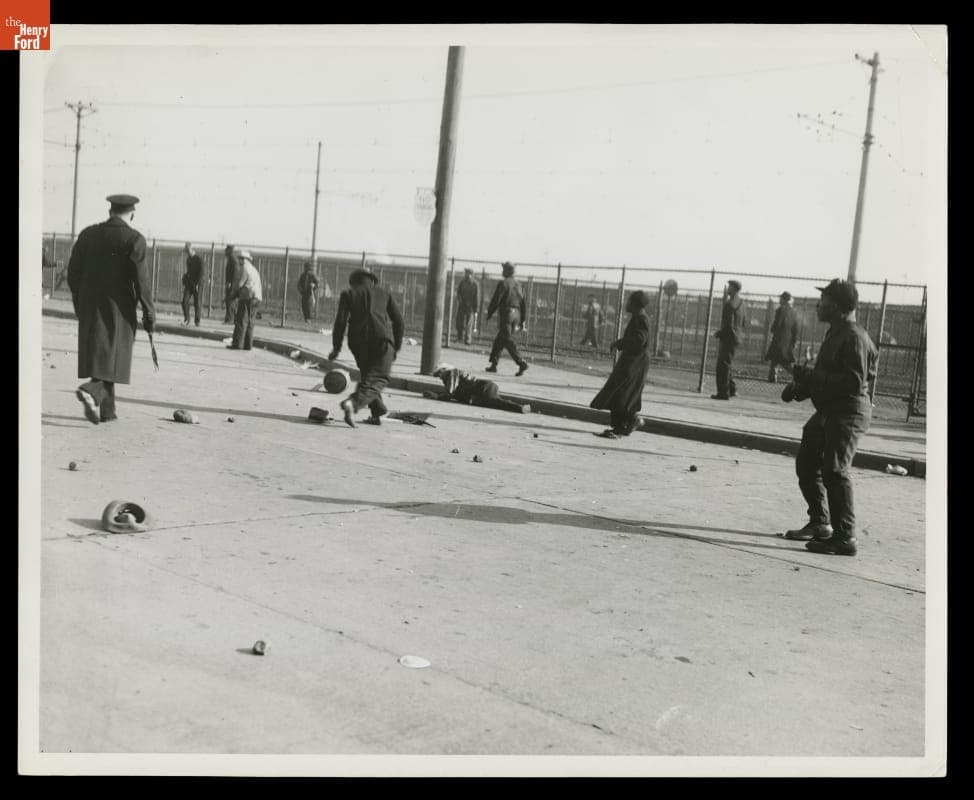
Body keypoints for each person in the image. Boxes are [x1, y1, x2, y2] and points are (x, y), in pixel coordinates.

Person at [781, 279, 878, 557]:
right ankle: (820, 523)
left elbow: (852, 382)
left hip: (848, 411)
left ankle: (845, 537)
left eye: (822, 300)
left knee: (835, 470)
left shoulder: (854, 337)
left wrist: (810, 377)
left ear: (835, 305)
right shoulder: (836, 332)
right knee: (807, 463)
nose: (817, 305)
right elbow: (827, 376)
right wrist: (800, 389)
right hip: (830, 410)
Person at [67, 193, 155, 424]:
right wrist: (149, 313)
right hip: (119, 308)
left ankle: (107, 411)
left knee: (103, 354)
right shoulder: (134, 239)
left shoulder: (88, 234)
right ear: (132, 214)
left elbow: (73, 272)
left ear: (110, 212)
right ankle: (92, 390)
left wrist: (80, 301)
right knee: (113, 354)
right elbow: (142, 282)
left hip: (89, 304)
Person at [328, 268, 405, 427]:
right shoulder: (384, 293)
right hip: (381, 340)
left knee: (369, 375)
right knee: (379, 377)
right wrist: (396, 346)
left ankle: (378, 411)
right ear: (373, 281)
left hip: (358, 342)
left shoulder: (348, 294)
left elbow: (340, 322)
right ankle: (353, 403)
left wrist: (336, 348)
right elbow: (399, 321)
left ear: (353, 283)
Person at [589, 290, 652, 439]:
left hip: (635, 363)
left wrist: (620, 343)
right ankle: (621, 425)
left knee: (621, 393)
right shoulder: (638, 317)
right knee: (620, 393)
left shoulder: (641, 319)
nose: (627, 304)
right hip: (632, 361)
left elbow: (639, 340)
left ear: (635, 304)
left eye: (629, 301)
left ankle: (629, 422)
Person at [485, 261, 529, 376]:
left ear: (507, 271)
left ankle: (521, 362)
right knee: (500, 339)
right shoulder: (520, 285)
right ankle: (493, 364)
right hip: (517, 315)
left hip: (507, 314)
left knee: (507, 339)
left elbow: (496, 299)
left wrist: (489, 313)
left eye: (503, 269)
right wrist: (523, 320)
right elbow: (524, 304)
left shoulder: (503, 283)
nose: (502, 272)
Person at [428, 365, 530, 413]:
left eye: (439, 374)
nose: (440, 377)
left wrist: (436, 396)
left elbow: (450, 392)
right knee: (498, 404)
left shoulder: (452, 372)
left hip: (483, 388)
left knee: (498, 402)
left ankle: (520, 407)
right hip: (479, 395)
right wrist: (435, 393)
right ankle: (520, 407)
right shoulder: (449, 378)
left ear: (444, 369)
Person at [711, 279, 747, 400]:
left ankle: (723, 392)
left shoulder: (729, 304)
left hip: (728, 338)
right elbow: (743, 322)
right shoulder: (742, 303)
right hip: (737, 338)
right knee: (727, 364)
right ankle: (732, 389)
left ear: (734, 289)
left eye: (730, 287)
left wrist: (719, 333)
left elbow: (728, 324)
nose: (728, 289)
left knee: (722, 365)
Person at [227, 249, 262, 350]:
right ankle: (248, 345)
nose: (239, 260)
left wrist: (232, 295)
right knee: (250, 322)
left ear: (244, 259)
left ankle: (237, 344)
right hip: (257, 297)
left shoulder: (244, 269)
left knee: (241, 321)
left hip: (248, 297)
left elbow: (240, 284)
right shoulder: (254, 269)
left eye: (240, 259)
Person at [765, 291, 799, 383]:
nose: (779, 300)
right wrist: (794, 341)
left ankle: (798, 376)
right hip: (787, 340)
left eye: (781, 298)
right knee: (775, 359)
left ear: (784, 299)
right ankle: (772, 377)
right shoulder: (793, 311)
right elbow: (795, 327)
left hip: (779, 339)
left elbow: (777, 324)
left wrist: (773, 330)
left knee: (783, 361)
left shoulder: (781, 310)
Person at [181, 242, 204, 327]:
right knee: (184, 301)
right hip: (190, 283)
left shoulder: (198, 259)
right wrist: (185, 277)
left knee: (197, 303)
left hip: (197, 283)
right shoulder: (188, 259)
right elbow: (189, 272)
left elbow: (201, 273)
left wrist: (198, 284)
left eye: (187, 250)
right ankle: (187, 319)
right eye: (186, 250)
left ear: (191, 249)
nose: (186, 252)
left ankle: (197, 321)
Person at [454, 268, 479, 345]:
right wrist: (459, 299)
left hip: (470, 307)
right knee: (459, 322)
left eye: (468, 273)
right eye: (466, 273)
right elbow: (458, 292)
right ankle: (459, 337)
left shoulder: (475, 284)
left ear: (472, 274)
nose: (466, 275)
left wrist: (476, 308)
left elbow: (477, 296)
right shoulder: (462, 282)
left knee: (469, 324)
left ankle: (467, 340)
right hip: (462, 305)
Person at [223, 244, 241, 324]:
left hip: (233, 285)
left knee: (231, 302)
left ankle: (230, 319)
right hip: (231, 283)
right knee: (229, 301)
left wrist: (231, 283)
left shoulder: (233, 260)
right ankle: (230, 318)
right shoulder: (231, 259)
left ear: (229, 251)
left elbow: (235, 273)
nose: (225, 252)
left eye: (226, 250)